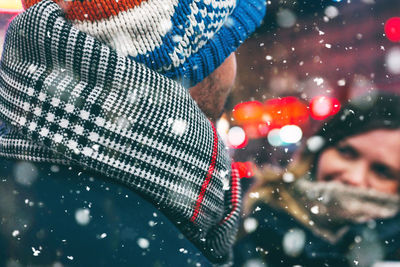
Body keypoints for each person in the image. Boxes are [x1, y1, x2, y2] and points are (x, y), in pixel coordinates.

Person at [0, 0, 266, 265]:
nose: (233, 68)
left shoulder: (30, 206)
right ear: (187, 62)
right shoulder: (158, 248)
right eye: (228, 47)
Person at [234, 92, 400, 267]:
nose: (354, 178)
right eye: (346, 153)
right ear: (319, 151)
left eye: (382, 172)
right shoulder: (252, 226)